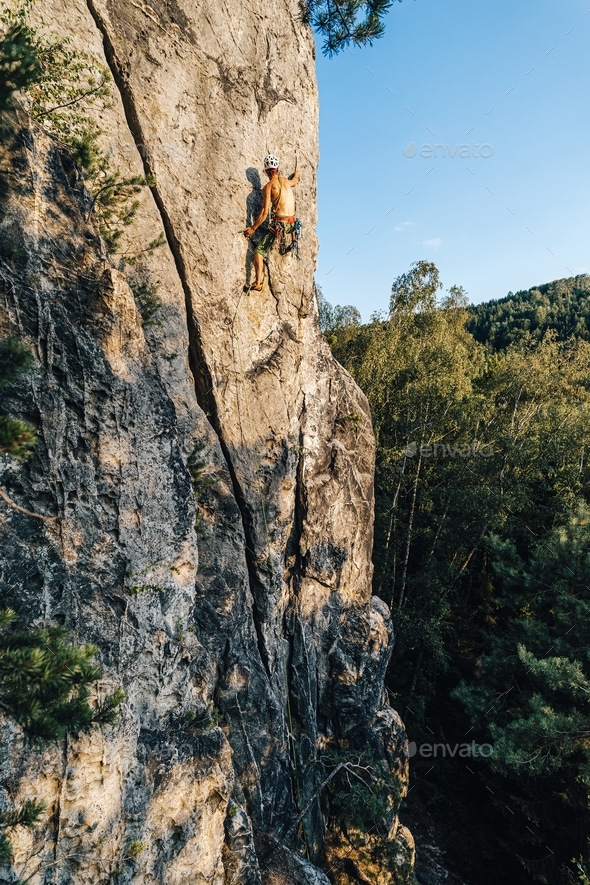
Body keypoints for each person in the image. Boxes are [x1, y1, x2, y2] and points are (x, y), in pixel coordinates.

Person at [243, 154, 300, 291]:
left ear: (266, 172)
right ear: (277, 169)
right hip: (292, 225)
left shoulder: (268, 187)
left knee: (259, 251)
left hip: (280, 226)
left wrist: (253, 228)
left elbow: (264, 213)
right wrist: (297, 172)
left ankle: (258, 283)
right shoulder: (287, 181)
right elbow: (296, 180)